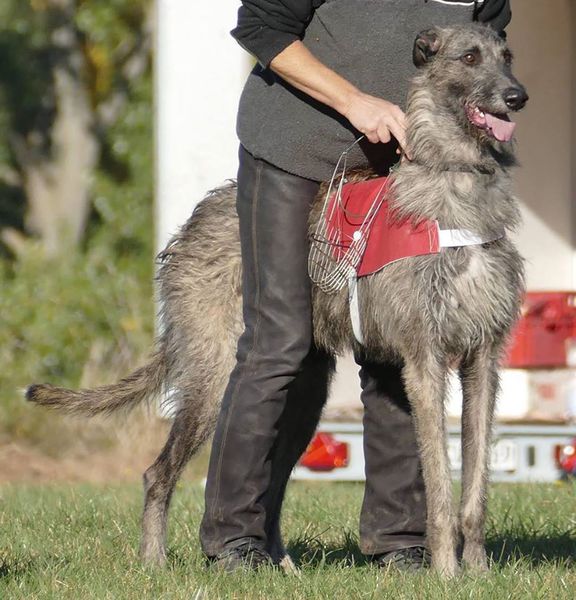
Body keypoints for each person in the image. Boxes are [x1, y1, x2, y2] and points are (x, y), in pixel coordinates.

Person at [200, 0, 512, 572]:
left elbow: (482, 58)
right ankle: (235, 539)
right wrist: (353, 101)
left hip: (401, 165)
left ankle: (400, 541)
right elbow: (260, 25)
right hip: (296, 155)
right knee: (280, 343)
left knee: (395, 353)